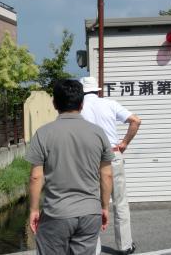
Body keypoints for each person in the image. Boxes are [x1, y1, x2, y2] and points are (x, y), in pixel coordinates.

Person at [26, 79, 114, 255]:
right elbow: (107, 175)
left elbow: (36, 177)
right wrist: (104, 207)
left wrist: (34, 209)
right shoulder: (98, 133)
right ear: (81, 104)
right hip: (90, 213)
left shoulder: (43, 133)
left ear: (54, 103)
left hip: (56, 213)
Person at [79, 76, 141, 255]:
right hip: (112, 153)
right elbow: (136, 120)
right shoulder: (110, 104)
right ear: (98, 90)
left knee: (91, 203)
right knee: (120, 201)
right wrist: (124, 143)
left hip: (88, 158)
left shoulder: (78, 108)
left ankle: (94, 249)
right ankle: (125, 246)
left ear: (82, 92)